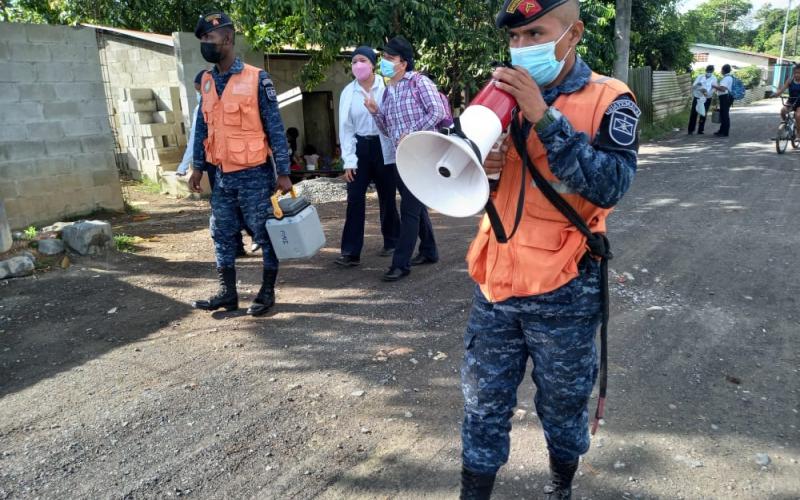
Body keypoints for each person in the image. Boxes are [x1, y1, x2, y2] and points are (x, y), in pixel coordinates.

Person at [458, 1, 639, 498]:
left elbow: (611, 185)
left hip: (565, 289)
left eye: (534, 33)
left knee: (562, 403)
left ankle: (561, 486)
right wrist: (482, 166)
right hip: (495, 281)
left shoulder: (609, 98)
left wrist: (544, 117)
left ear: (573, 33)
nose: (521, 48)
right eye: (514, 38)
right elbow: (468, 186)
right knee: (482, 403)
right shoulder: (495, 99)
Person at [188, 11, 293, 317]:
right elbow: (202, 127)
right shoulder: (207, 82)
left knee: (263, 233)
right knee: (221, 232)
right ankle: (227, 293)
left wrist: (284, 173)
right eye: (203, 39)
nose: (206, 44)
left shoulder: (256, 78)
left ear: (228, 38)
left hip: (255, 175)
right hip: (222, 176)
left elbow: (275, 127)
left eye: (210, 38)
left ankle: (267, 290)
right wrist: (197, 166)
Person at [364, 35, 444, 282]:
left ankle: (400, 264)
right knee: (415, 206)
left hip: (423, 155)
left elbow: (437, 112)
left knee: (408, 207)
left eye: (390, 58)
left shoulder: (419, 83)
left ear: (404, 63)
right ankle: (429, 250)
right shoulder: (389, 92)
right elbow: (388, 129)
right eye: (384, 58)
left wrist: (412, 134)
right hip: (402, 157)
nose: (384, 63)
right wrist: (376, 112)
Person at [178, 70, 257, 256]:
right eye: (198, 91)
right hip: (216, 166)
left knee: (242, 204)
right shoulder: (202, 107)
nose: (200, 94)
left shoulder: (235, 99)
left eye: (200, 90)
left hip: (239, 163)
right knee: (226, 209)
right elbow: (197, 139)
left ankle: (256, 237)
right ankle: (237, 245)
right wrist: (191, 166)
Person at [335, 45, 401, 267]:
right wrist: (349, 160)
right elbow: (345, 128)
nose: (358, 65)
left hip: (385, 147)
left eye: (362, 60)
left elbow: (394, 118)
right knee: (354, 198)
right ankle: (350, 251)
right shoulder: (348, 92)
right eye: (354, 62)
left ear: (373, 64)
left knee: (388, 197)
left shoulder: (387, 86)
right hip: (360, 148)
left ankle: (393, 241)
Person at [688, 65, 716, 135]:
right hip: (697, 96)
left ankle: (700, 129)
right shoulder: (700, 76)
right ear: (706, 70)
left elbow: (714, 88)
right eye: (708, 71)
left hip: (707, 98)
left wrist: (708, 93)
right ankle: (691, 129)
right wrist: (698, 84)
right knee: (694, 113)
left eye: (710, 71)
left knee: (703, 113)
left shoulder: (714, 78)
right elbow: (693, 86)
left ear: (712, 71)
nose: (708, 72)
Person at [713, 64, 734, 137]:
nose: (721, 71)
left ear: (723, 70)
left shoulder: (726, 78)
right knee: (724, 114)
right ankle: (722, 130)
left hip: (725, 97)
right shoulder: (730, 77)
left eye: (721, 69)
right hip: (728, 97)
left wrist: (714, 86)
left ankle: (724, 132)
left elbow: (723, 89)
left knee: (724, 115)